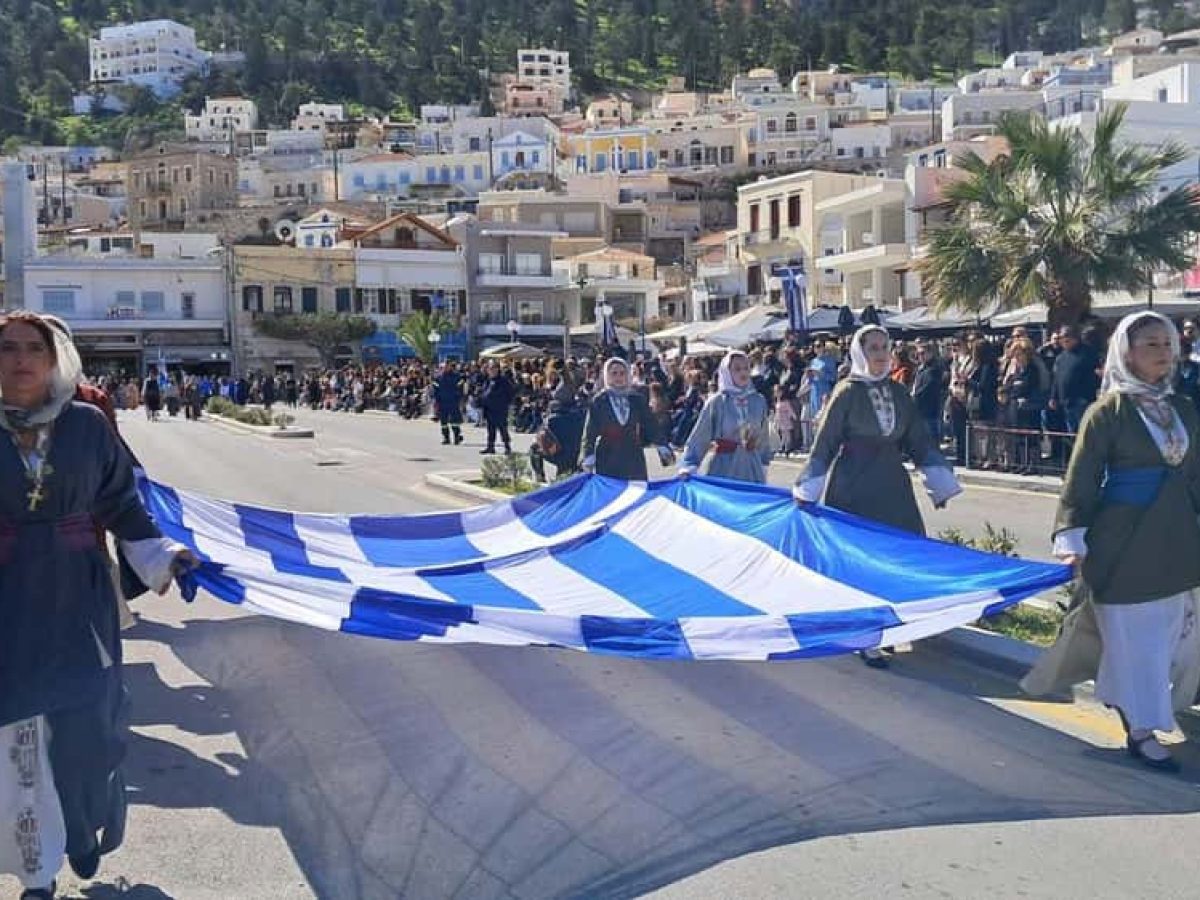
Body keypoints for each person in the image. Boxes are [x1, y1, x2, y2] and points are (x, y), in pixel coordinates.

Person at [0, 311, 195, 899]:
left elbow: (122, 503)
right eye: (7, 348)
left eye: (34, 348)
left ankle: (84, 827)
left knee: (88, 735)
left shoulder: (86, 424)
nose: (20, 359)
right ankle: (40, 870)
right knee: (20, 743)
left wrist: (163, 554)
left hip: (79, 600)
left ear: (55, 358)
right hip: (9, 606)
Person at [1023, 312, 1200, 772]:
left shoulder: (1182, 407)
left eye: (1167, 344)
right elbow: (1080, 479)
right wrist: (1072, 536)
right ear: (1126, 352)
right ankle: (1140, 729)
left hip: (1177, 538)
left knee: (1175, 633)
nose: (1163, 352)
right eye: (1150, 345)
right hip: (1124, 543)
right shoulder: (1107, 412)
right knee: (1133, 640)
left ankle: (1157, 708)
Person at [795, 325, 962, 668]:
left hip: (892, 483)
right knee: (860, 559)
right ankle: (864, 635)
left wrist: (938, 481)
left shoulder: (899, 393)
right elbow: (824, 443)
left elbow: (918, 440)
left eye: (885, 347)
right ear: (860, 352)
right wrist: (808, 488)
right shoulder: (846, 393)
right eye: (873, 347)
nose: (880, 353)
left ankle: (890, 625)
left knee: (902, 550)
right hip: (853, 483)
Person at [678, 350, 773, 484]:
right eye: (737, 369)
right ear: (726, 372)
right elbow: (700, 435)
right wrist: (688, 465)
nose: (743, 373)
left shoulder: (758, 401)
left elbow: (763, 437)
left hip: (751, 467)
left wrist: (764, 463)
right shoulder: (717, 402)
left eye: (746, 368)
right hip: (723, 466)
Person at [582, 358, 663, 480]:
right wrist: (588, 455)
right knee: (612, 494)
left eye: (622, 373)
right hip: (608, 455)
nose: (618, 377)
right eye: (614, 373)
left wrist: (661, 444)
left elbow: (650, 424)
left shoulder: (636, 399)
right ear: (607, 376)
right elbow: (590, 431)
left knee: (636, 492)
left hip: (633, 454)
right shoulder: (599, 400)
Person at [479, 361, 514, 455]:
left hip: (500, 409)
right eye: (490, 369)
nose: (492, 370)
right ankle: (490, 447)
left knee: (503, 429)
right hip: (489, 409)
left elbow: (510, 393)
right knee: (490, 430)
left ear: (498, 369)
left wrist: (505, 403)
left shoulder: (503, 380)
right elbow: (484, 392)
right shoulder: (488, 380)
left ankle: (507, 447)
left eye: (494, 368)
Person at [432, 360, 465, 445]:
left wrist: (460, 398)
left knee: (455, 421)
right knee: (443, 421)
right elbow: (435, 390)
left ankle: (457, 437)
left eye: (447, 366)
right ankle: (446, 438)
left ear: (451, 366)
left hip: (453, 401)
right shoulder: (438, 378)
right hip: (442, 402)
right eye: (444, 366)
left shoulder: (457, 377)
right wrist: (436, 401)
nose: (446, 367)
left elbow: (461, 388)